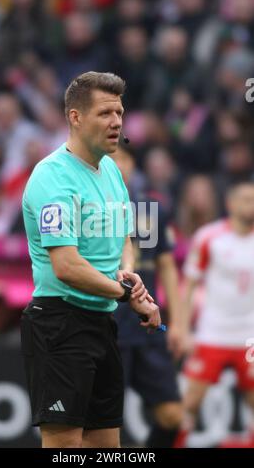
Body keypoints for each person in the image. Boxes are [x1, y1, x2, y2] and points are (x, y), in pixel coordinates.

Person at [21, 71, 161, 449]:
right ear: (75, 117)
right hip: (59, 324)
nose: (116, 121)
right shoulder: (52, 178)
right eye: (104, 113)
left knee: (105, 446)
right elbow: (66, 267)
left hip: (102, 322)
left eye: (119, 112)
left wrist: (128, 275)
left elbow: (126, 237)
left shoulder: (111, 169)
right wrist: (123, 292)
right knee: (65, 448)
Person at [112, 147, 183, 448]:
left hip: (148, 327)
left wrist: (178, 324)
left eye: (123, 159)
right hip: (109, 329)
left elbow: (166, 266)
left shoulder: (150, 210)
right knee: (104, 424)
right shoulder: (87, 209)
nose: (117, 165)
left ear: (132, 165)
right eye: (109, 159)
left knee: (172, 415)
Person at [178, 179, 254, 447]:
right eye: (245, 199)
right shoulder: (210, 238)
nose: (251, 205)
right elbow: (188, 285)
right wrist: (182, 328)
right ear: (230, 204)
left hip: (249, 336)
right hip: (213, 333)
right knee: (191, 401)